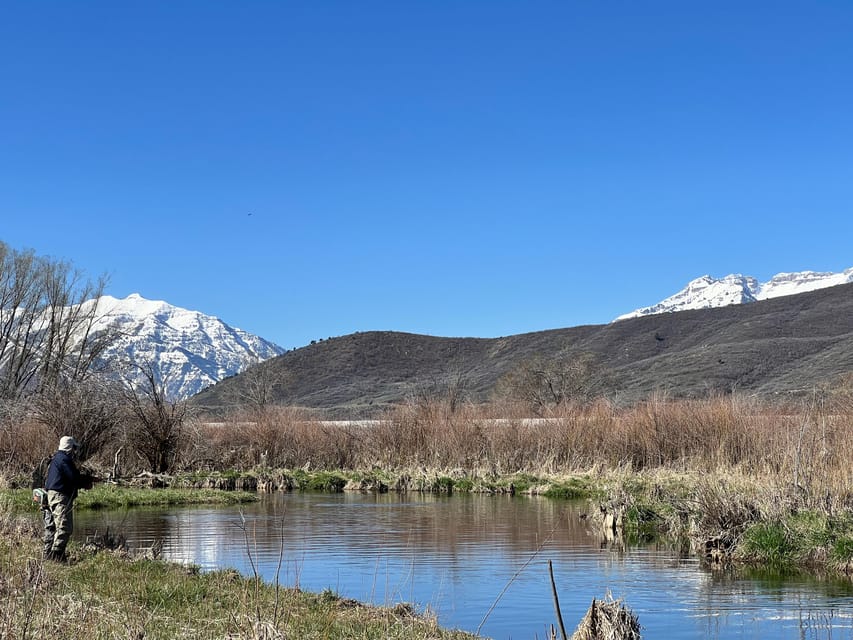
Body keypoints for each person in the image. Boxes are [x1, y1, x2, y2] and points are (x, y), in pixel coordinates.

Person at [43, 436, 93, 562]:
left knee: (53, 527)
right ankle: (57, 556)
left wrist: (87, 480)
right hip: (59, 497)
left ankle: (49, 555)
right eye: (74, 448)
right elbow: (74, 478)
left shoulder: (58, 458)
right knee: (64, 527)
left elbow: (71, 478)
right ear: (70, 448)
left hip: (53, 495)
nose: (75, 451)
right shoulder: (64, 459)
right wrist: (86, 482)